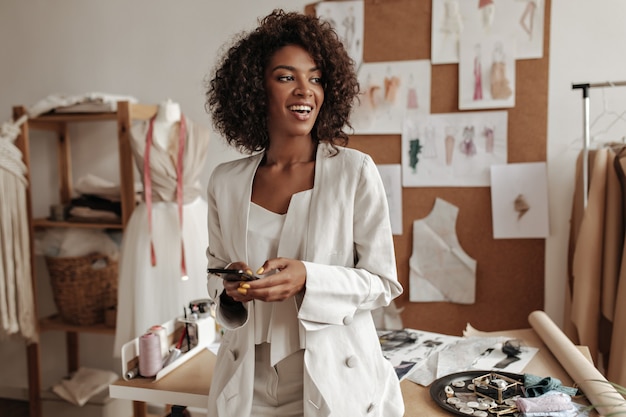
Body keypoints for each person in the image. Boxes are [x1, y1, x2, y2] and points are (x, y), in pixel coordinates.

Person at [203, 9, 404, 417]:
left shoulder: (355, 172)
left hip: (332, 381)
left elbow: (383, 283)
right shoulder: (225, 182)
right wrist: (231, 288)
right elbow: (214, 273)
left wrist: (309, 279)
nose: (304, 90)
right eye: (285, 77)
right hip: (246, 387)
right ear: (255, 89)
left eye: (315, 78)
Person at [113, 99, 210, 357]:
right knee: (151, 294)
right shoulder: (136, 134)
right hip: (151, 222)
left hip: (192, 222)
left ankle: (196, 359)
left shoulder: (199, 133)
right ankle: (150, 361)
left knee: (195, 291)